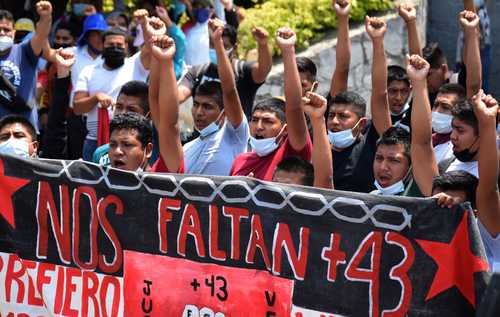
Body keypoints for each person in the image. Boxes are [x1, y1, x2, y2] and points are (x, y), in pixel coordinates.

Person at [73, 13, 160, 161]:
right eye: (110, 45)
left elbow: (152, 47)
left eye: (119, 45)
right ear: (103, 45)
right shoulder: (89, 71)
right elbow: (77, 107)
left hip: (133, 140)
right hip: (94, 141)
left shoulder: (135, 64)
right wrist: (95, 98)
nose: (115, 48)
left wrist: (145, 24)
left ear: (126, 47)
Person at [230, 27, 312, 181]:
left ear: (285, 130)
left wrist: (287, 50)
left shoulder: (293, 153)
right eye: (255, 120)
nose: (259, 127)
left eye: (268, 121)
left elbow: (294, 107)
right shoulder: (241, 162)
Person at [326, 16, 392, 193]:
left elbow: (380, 94)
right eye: (331, 115)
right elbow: (341, 69)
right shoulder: (320, 145)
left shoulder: (373, 142)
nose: (334, 121)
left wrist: (377, 41)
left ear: (362, 123)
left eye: (343, 116)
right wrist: (342, 18)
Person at [181, 19, 248, 176]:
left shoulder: (235, 136)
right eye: (196, 104)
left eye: (207, 106)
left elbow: (230, 91)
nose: (198, 112)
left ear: (224, 112)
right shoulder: (186, 149)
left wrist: (217, 41)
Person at [178, 22, 271, 118]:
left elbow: (262, 71)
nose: (217, 50)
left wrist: (263, 44)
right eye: (213, 44)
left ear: (234, 48)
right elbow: (178, 95)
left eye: (224, 46)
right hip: (203, 132)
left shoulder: (242, 70)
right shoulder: (198, 71)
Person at [0, 2, 53, 129]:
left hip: (24, 130)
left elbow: (40, 35)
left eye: (6, 30)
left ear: (13, 33)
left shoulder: (25, 50)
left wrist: (45, 17)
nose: (2, 33)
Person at [92, 81, 156, 166]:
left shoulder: (163, 155)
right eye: (119, 107)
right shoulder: (100, 154)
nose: (123, 113)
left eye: (131, 109)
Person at [148, 34, 184, 173]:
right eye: (113, 144)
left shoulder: (164, 170)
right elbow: (154, 98)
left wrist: (165, 60)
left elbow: (169, 126)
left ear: (147, 150)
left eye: (127, 145)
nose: (119, 151)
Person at [431, 83, 466, 163]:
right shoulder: (428, 140)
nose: (437, 111)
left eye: (445, 107)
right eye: (435, 105)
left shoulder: (460, 148)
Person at [184, 0, 212, 66]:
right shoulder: (186, 27)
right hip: (187, 72)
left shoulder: (213, 26)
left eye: (203, 7)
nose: (199, 10)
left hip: (204, 72)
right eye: (196, 7)